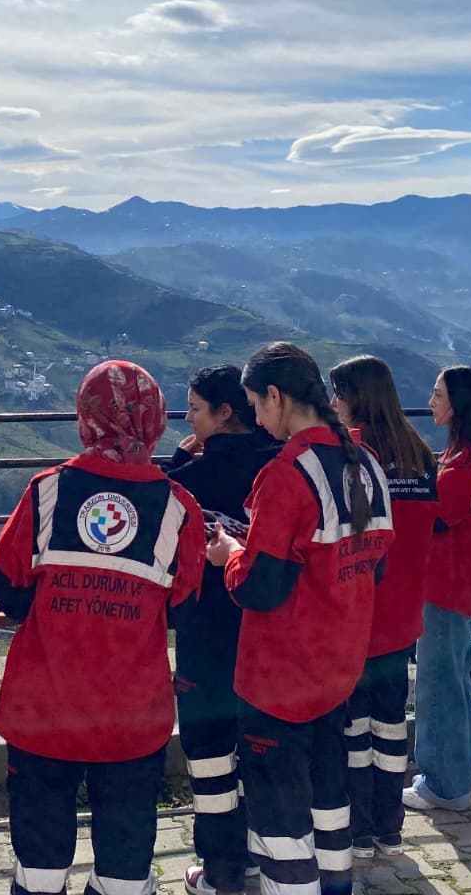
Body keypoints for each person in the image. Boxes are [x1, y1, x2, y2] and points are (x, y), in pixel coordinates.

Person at [0, 360, 206, 895]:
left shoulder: (47, 491)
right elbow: (184, 607)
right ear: (155, 419)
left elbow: (7, 588)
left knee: (39, 863)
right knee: (125, 864)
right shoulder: (179, 508)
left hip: (43, 709)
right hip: (131, 716)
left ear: (86, 416)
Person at [209, 342, 394, 895]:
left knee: (278, 814)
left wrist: (230, 555)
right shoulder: (365, 463)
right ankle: (336, 884)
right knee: (328, 797)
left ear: (275, 396)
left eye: (255, 405)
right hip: (339, 665)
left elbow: (260, 588)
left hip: (281, 676)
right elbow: (375, 565)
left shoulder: (288, 473)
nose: (256, 419)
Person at [167, 366, 279, 895]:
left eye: (194, 408)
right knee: (255, 748)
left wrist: (179, 461)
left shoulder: (189, 481)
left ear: (224, 411)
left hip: (205, 633)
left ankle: (220, 869)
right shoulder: (279, 467)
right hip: (263, 631)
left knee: (210, 754)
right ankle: (258, 855)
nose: (187, 418)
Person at [329, 356, 438, 859]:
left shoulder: (354, 455)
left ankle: (358, 830)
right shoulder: (420, 454)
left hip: (360, 612)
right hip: (403, 612)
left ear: (357, 397)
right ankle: (390, 830)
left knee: (354, 727)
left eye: (338, 393)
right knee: (391, 725)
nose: (333, 403)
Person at [406, 365, 471, 813]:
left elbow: (434, 515)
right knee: (455, 683)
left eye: (438, 394)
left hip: (446, 587)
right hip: (457, 587)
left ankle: (444, 785)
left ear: (459, 403)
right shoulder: (470, 455)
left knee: (437, 686)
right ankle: (462, 773)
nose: (430, 402)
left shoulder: (464, 463)